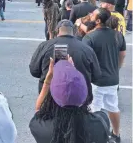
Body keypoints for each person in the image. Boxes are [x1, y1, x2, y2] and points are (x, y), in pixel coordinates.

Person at [29, 59, 110, 143]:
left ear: (51, 98)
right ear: (85, 95)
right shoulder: (100, 122)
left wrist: (47, 82)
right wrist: (73, 74)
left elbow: (38, 110)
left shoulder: (40, 127)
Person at [29, 19, 101, 104]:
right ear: (74, 31)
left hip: (50, 99)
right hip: (79, 100)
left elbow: (34, 71)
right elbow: (96, 76)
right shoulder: (86, 49)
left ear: (57, 31)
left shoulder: (45, 46)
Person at [82, 8, 126, 143]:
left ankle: (97, 137)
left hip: (96, 80)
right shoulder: (118, 35)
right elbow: (122, 55)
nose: (91, 16)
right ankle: (116, 134)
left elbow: (84, 58)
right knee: (113, 107)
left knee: (94, 110)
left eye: (93, 15)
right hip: (113, 79)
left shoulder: (90, 37)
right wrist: (116, 67)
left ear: (98, 20)